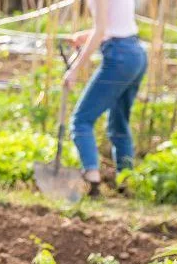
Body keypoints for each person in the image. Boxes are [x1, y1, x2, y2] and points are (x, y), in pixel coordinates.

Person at [65, 0, 147, 197]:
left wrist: (75, 70)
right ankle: (126, 182)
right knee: (119, 123)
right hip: (136, 53)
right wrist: (87, 36)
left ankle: (92, 180)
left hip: (119, 57)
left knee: (81, 120)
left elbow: (101, 30)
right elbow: (116, 26)